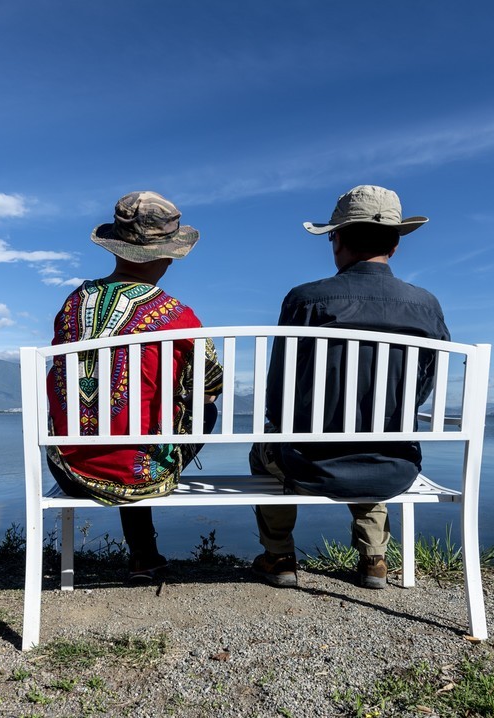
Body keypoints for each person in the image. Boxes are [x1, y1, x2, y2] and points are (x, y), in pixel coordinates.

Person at [249, 185, 450, 590]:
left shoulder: (305, 299)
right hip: (395, 466)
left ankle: (279, 556)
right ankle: (374, 559)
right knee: (376, 442)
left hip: (310, 465)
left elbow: (279, 386)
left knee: (262, 451)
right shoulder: (425, 304)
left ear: (336, 240)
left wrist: (281, 423)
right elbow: (425, 383)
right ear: (394, 245)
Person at [46, 191, 222, 581]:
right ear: (169, 254)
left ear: (115, 248)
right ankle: (143, 554)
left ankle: (145, 554)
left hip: (67, 468)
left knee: (126, 426)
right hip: (140, 474)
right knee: (194, 414)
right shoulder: (178, 316)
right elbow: (209, 388)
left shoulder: (74, 303)